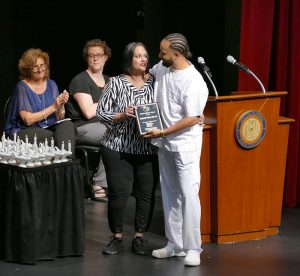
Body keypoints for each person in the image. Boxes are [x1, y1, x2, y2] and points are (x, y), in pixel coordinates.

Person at [144, 33, 209, 266]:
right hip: (165, 144)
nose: (158, 56)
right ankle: (175, 244)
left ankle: (193, 247)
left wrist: (162, 132)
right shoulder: (162, 67)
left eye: (163, 52)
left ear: (177, 54)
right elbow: (146, 74)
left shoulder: (193, 81)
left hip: (185, 145)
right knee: (170, 192)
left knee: (188, 193)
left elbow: (192, 118)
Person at [96, 42, 159, 255]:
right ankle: (116, 237)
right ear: (128, 60)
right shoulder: (115, 83)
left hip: (147, 148)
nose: (143, 59)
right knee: (119, 193)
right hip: (117, 146)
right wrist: (122, 114)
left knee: (145, 194)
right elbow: (101, 113)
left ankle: (139, 237)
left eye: (145, 55)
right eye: (138, 56)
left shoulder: (156, 83)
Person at [4, 48, 75, 157]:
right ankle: (57, 167)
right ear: (27, 69)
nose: (40, 69)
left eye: (42, 65)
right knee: (50, 135)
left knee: (67, 126)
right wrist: (53, 107)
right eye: (35, 66)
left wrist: (60, 105)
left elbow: (59, 118)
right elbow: (28, 120)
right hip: (23, 130)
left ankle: (66, 166)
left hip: (49, 126)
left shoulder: (52, 84)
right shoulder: (22, 87)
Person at [66, 39, 111, 201]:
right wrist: (107, 95)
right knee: (113, 134)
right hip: (83, 128)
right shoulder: (80, 80)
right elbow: (88, 111)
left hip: (104, 126)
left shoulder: (110, 80)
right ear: (87, 58)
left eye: (99, 55)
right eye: (91, 55)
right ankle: (98, 185)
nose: (95, 58)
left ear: (106, 57)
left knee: (127, 131)